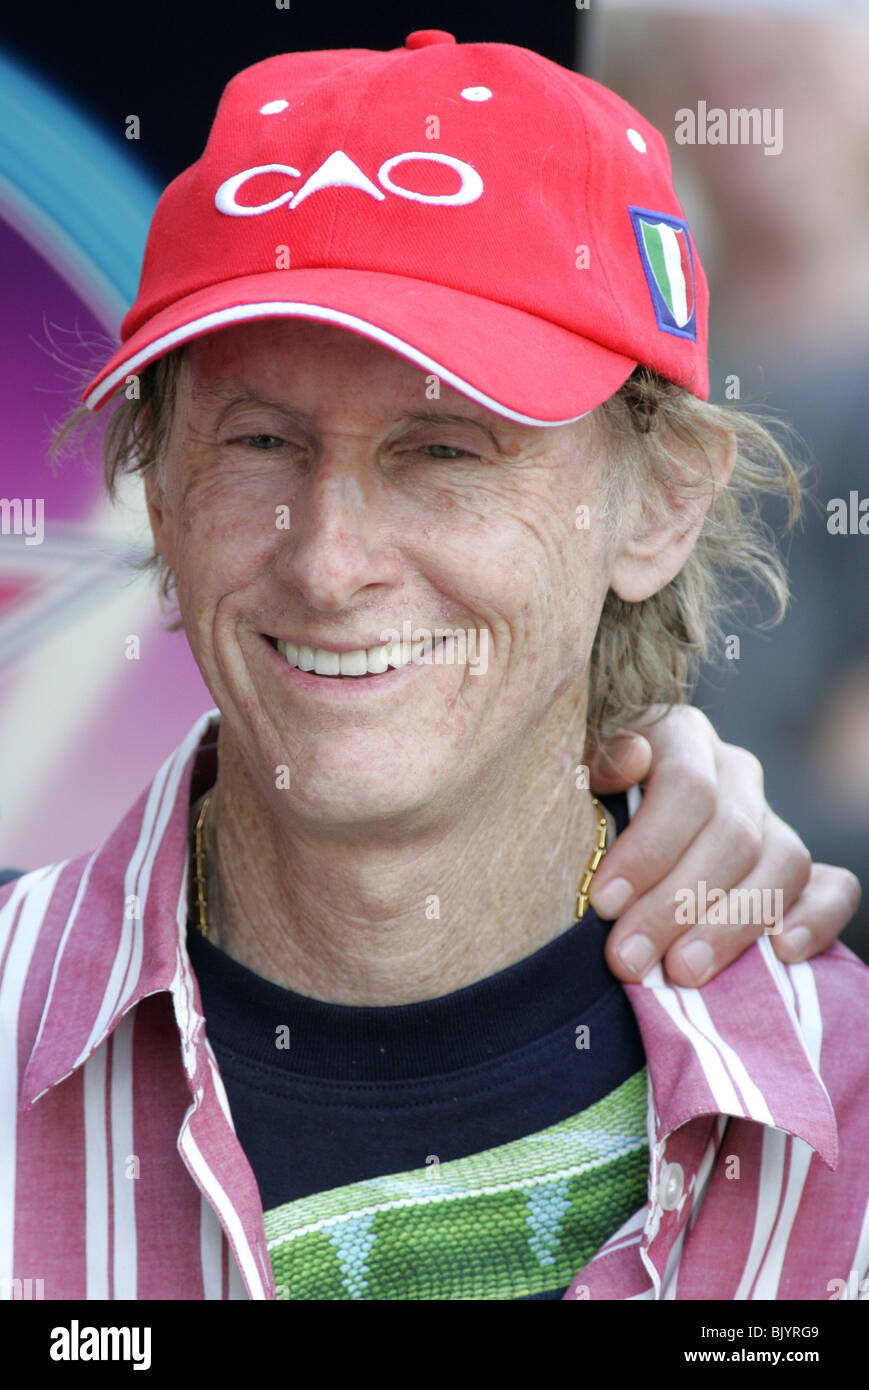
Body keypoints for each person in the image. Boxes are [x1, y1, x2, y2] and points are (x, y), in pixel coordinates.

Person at [1, 32, 865, 1302]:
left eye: (445, 448)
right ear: (160, 493)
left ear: (659, 505)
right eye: (258, 439)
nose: (329, 560)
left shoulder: (841, 1099)